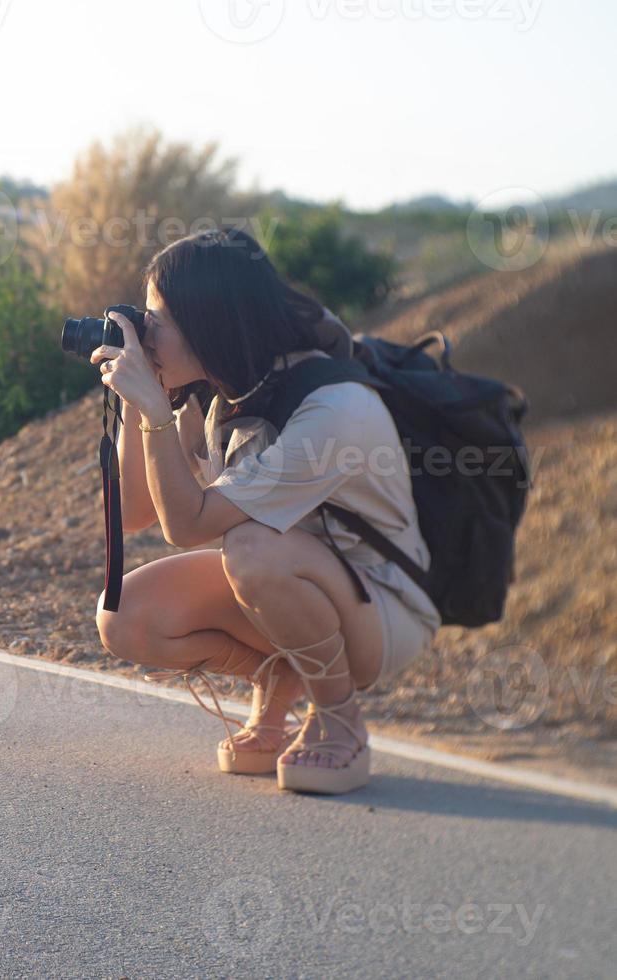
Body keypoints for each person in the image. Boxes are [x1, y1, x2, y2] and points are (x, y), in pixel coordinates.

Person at [91, 226, 440, 795]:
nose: (144, 335)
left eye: (156, 323)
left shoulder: (332, 408)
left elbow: (187, 526)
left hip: (383, 606)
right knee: (122, 614)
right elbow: (133, 515)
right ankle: (279, 677)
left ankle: (338, 717)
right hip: (293, 582)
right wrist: (139, 401)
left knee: (252, 549)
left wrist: (155, 410)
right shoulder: (218, 390)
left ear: (210, 323)